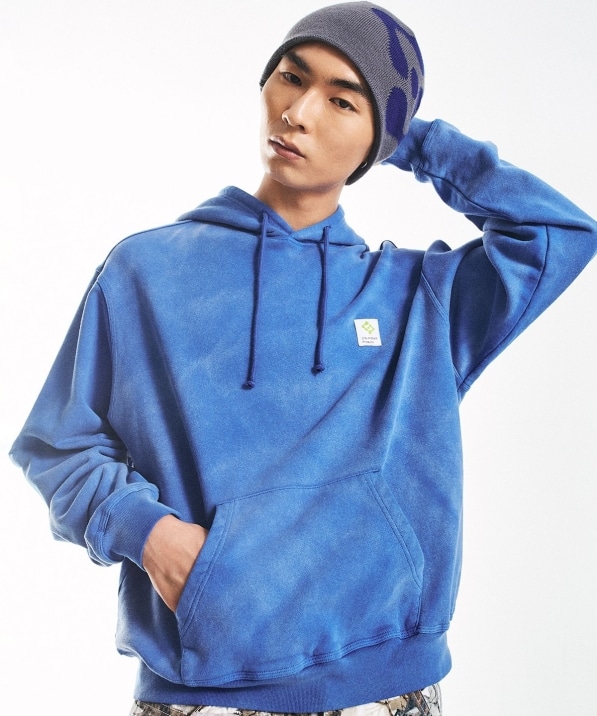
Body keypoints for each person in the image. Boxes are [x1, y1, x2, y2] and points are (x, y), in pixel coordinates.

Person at [9, 2, 596, 715]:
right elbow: (57, 443)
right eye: (291, 78)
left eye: (342, 100)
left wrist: (407, 139)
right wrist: (151, 536)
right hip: (204, 694)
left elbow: (558, 234)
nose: (299, 113)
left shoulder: (419, 299)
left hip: (387, 692)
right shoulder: (148, 272)